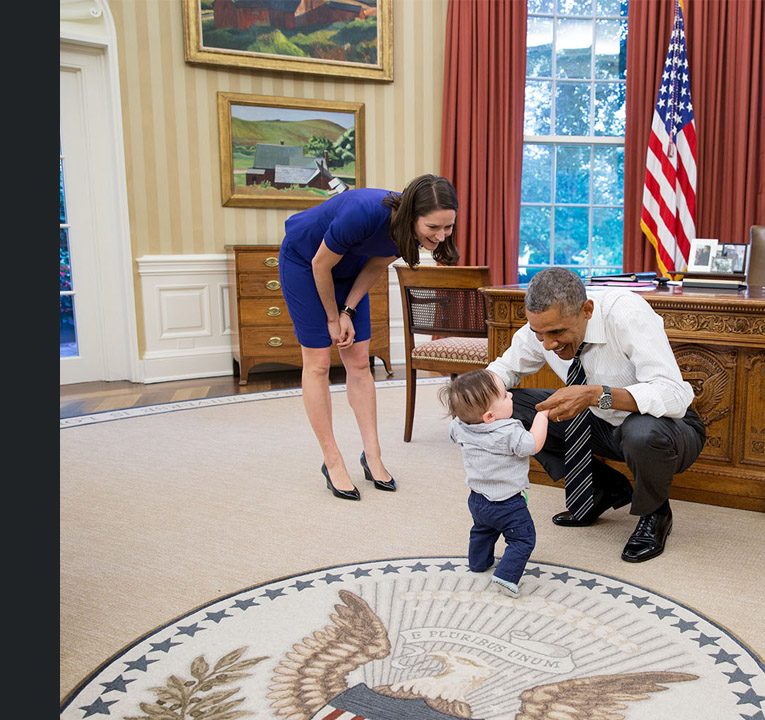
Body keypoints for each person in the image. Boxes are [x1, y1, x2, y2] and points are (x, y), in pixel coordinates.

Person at [486, 267, 707, 563]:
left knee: (641, 432)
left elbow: (675, 395)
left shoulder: (625, 313)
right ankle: (601, 490)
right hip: (601, 425)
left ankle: (656, 514)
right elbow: (506, 369)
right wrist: (474, 395)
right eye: (539, 334)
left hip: (669, 429)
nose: (548, 344)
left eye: (557, 333)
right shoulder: (543, 326)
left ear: (587, 310)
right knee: (508, 409)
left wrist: (595, 394)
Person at [279, 175, 459, 500]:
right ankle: (332, 461)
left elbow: (376, 264)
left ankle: (372, 455)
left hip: (351, 268)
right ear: (412, 214)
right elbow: (321, 265)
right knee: (318, 362)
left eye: (448, 227)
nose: (441, 236)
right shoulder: (363, 212)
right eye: (434, 227)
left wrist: (348, 310)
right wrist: (332, 319)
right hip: (306, 264)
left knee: (359, 362)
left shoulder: (413, 232)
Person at [440, 369, 549, 597]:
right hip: (507, 504)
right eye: (505, 396)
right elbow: (533, 445)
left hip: (477, 499)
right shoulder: (510, 432)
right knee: (522, 538)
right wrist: (542, 417)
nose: (511, 396)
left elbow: (453, 433)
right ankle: (506, 576)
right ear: (489, 416)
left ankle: (479, 563)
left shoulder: (459, 426)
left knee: (483, 530)